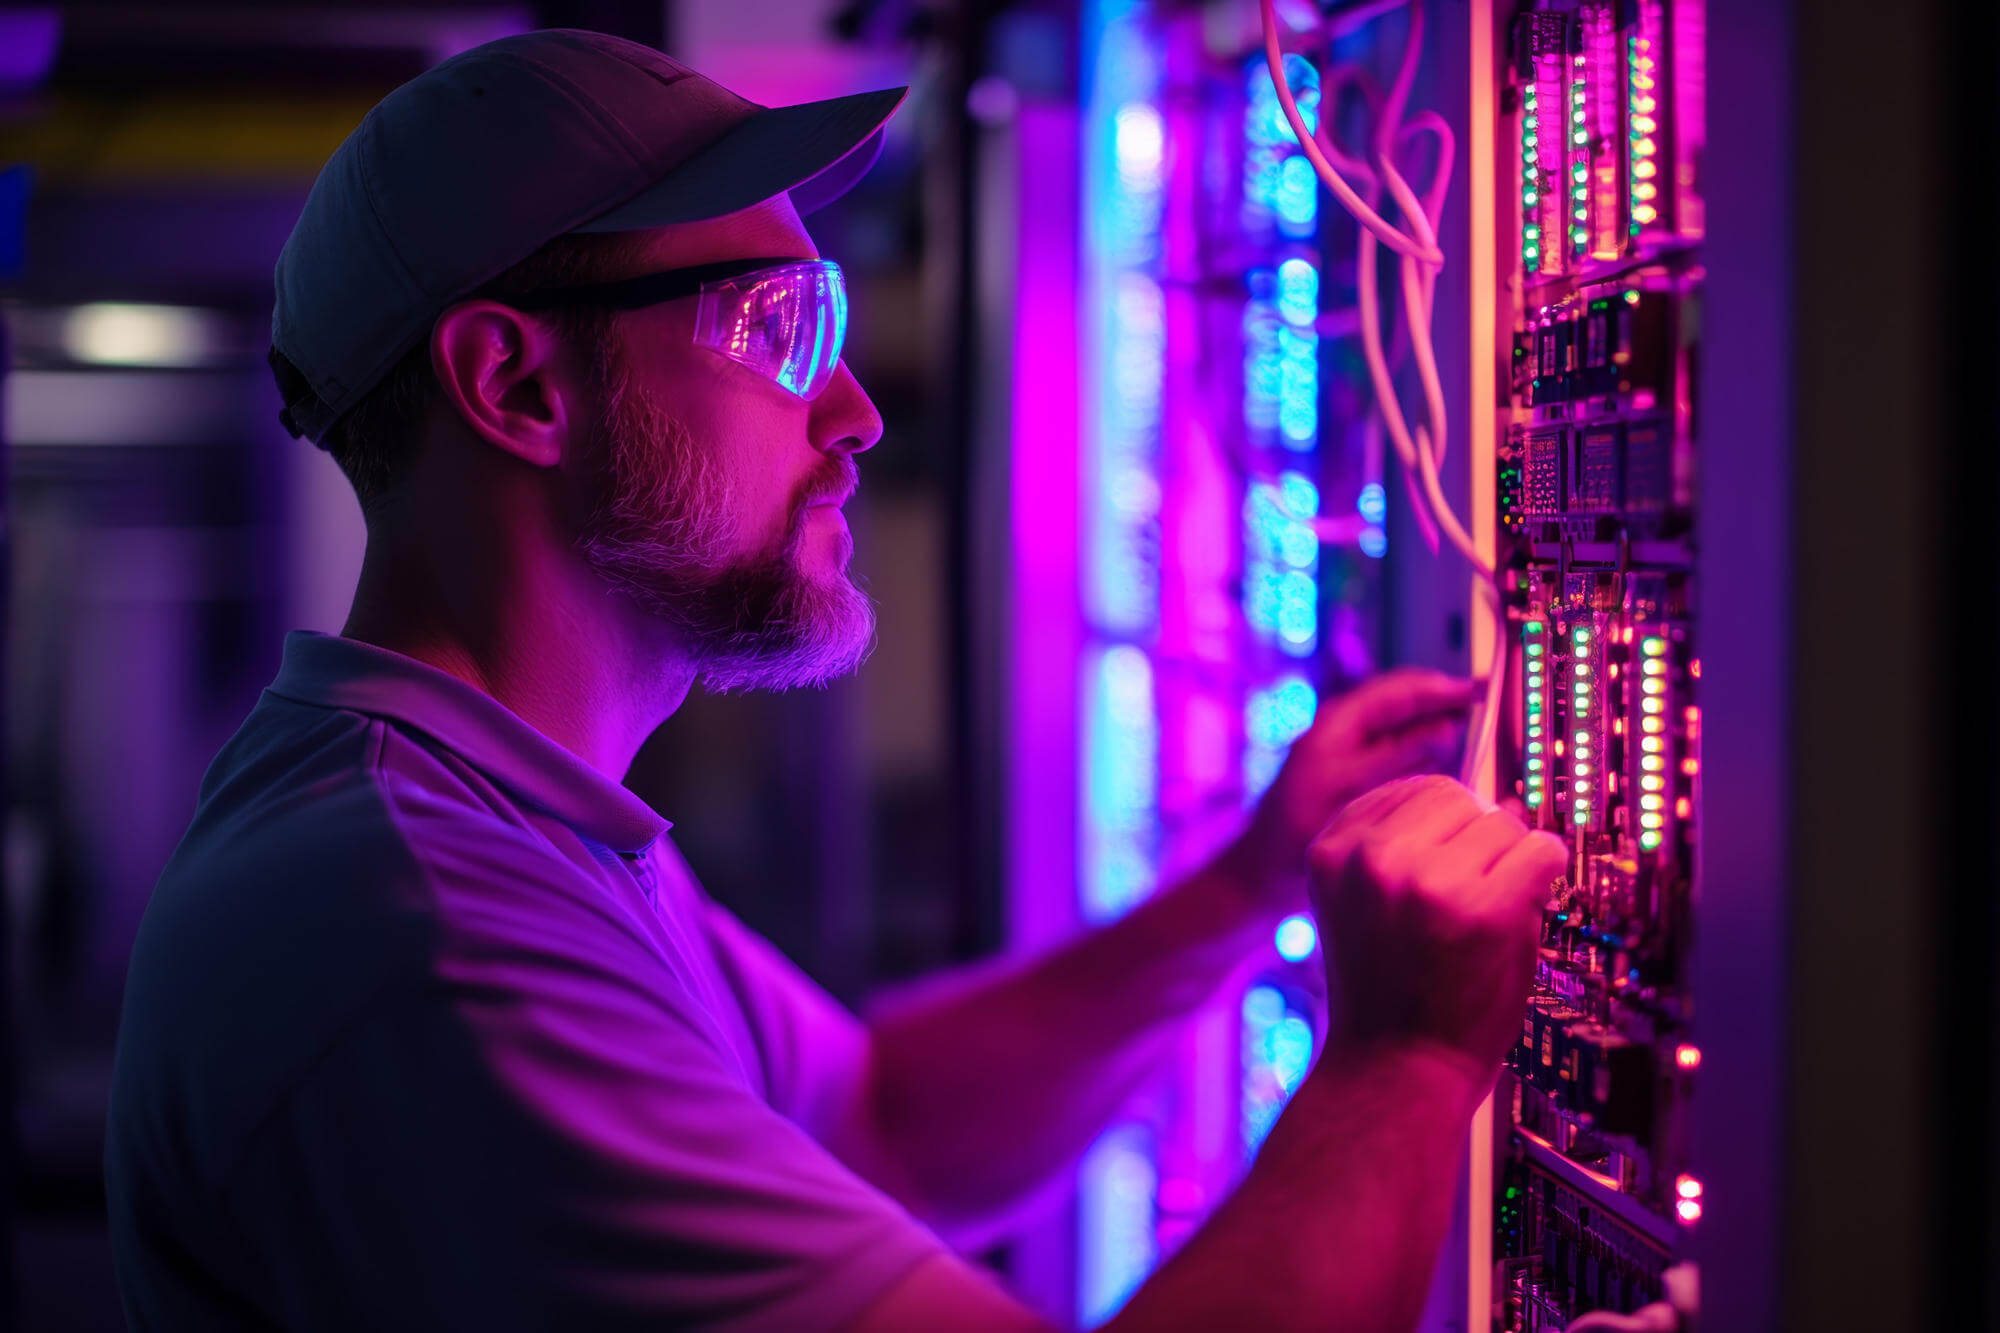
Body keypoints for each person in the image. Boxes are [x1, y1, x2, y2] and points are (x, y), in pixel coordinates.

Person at [104, 29, 1566, 1333]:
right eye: (775, 327)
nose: (857, 414)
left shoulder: (504, 818)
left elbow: (891, 1126)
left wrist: (1252, 881)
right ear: (519, 388)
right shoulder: (418, 938)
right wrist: (1413, 1051)